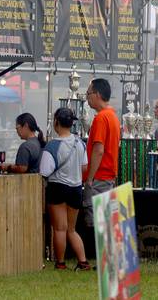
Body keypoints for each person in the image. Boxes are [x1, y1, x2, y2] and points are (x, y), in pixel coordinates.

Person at [40, 108, 90, 270]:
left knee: (60, 229)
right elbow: (84, 167)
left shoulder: (52, 145)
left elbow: (45, 171)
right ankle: (83, 262)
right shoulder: (80, 143)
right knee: (72, 229)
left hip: (58, 188)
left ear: (56, 122)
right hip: (76, 189)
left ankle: (60, 263)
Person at [83, 79, 121, 228]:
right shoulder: (113, 116)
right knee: (106, 226)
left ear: (97, 94)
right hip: (108, 177)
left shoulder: (101, 118)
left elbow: (99, 150)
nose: (87, 97)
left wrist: (90, 178)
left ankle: (93, 252)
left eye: (89, 93)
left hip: (98, 178)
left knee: (96, 225)